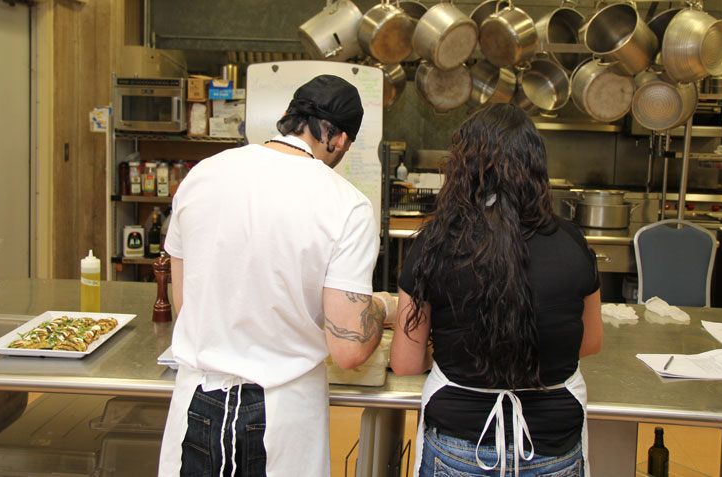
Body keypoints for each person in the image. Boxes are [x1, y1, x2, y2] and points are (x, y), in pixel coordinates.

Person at [158, 74, 397, 476]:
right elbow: (349, 350)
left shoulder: (201, 174)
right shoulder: (347, 205)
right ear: (339, 140)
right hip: (280, 415)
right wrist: (384, 306)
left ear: (287, 116)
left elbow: (185, 303)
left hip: (194, 404)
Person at [390, 103, 603, 477]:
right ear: (536, 166)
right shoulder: (572, 243)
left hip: (459, 445)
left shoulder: (435, 243)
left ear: (463, 167)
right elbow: (589, 342)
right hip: (552, 444)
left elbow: (406, 363)